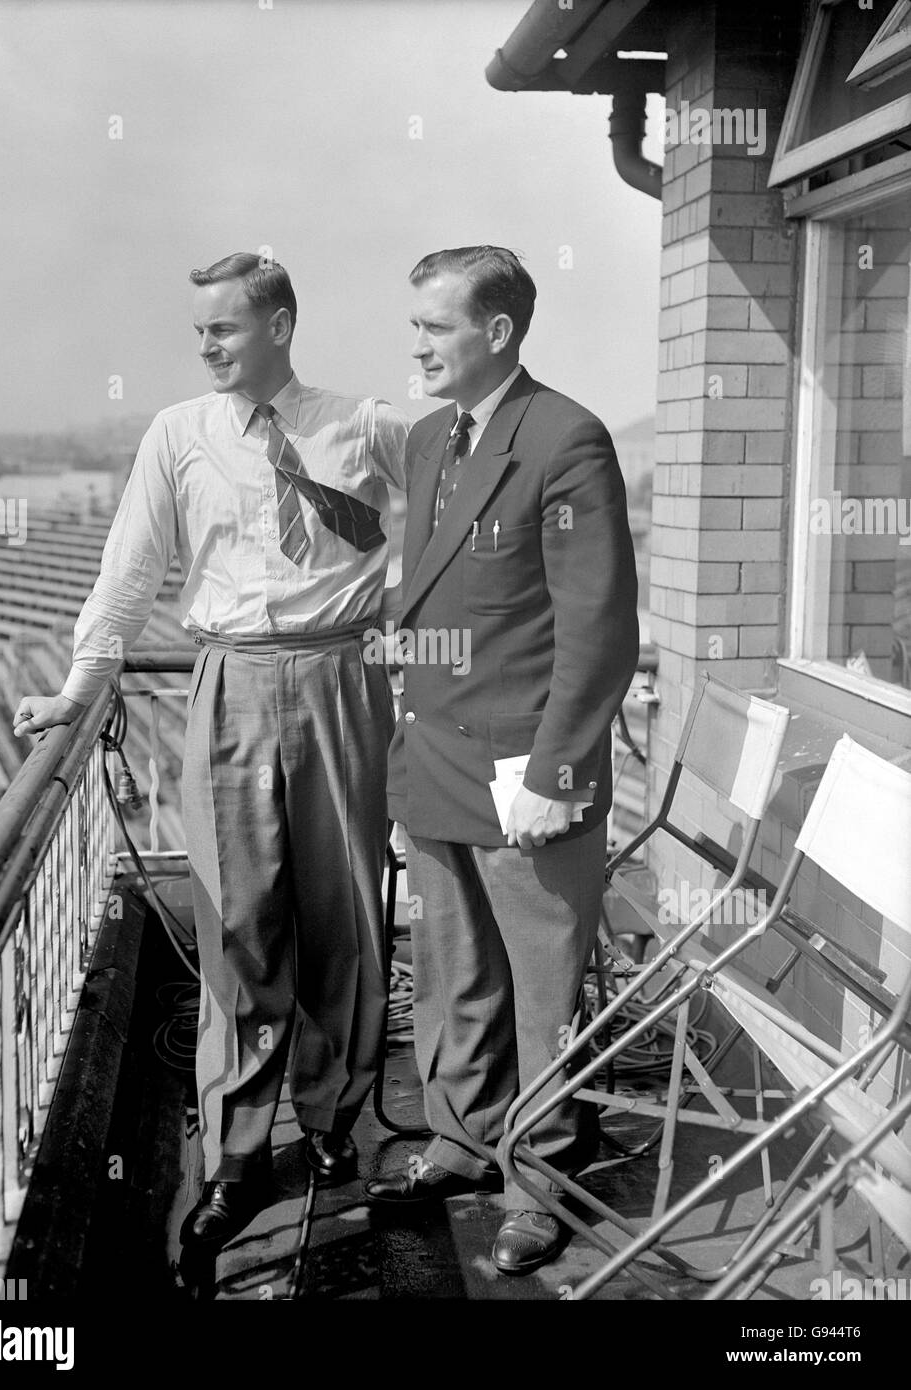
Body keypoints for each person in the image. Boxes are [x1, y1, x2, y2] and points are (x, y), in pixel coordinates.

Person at [14, 252, 408, 1252]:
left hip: (341, 685)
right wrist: (78, 685)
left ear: (279, 323)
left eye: (224, 328)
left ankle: (331, 1121)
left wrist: (408, 622)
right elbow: (130, 566)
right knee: (236, 924)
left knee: (346, 917)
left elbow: (458, 522)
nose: (205, 347)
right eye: (198, 331)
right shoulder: (178, 434)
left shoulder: (365, 425)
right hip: (228, 684)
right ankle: (235, 1152)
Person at [364, 246, 638, 1276]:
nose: (418, 346)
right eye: (416, 326)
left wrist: (555, 773)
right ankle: (463, 1134)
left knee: (540, 994)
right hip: (436, 755)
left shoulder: (566, 437)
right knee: (451, 970)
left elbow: (599, 628)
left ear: (497, 334)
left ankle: (540, 1182)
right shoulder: (435, 437)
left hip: (526, 770)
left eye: (434, 327)